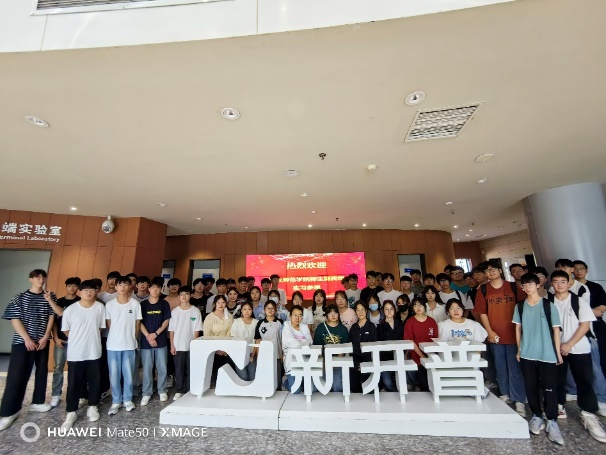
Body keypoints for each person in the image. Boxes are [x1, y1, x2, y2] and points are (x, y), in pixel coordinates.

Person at [550, 271, 606, 441]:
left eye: (563, 281)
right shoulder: (548, 302)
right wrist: (558, 346)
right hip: (556, 349)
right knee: (557, 380)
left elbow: (584, 326)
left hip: (579, 348)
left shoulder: (578, 301)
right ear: (551, 284)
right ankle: (559, 406)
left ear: (569, 283)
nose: (559, 285)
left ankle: (588, 414)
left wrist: (569, 344)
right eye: (556, 282)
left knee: (584, 381)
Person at [0, 269, 56, 432]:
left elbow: (52, 317)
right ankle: (9, 411)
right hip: (22, 342)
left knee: (42, 371)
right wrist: (27, 338)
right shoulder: (19, 297)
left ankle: (38, 402)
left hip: (42, 341)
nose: (41, 280)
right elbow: (15, 318)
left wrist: (46, 337)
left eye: (43, 277)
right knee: (17, 375)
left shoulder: (50, 296)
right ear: (30, 279)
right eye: (37, 277)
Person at [513, 273, 564, 445]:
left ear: (537, 285)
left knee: (550, 388)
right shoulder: (520, 306)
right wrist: (519, 349)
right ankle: (536, 415)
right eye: (524, 285)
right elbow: (518, 329)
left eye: (530, 284)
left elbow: (556, 330)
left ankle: (552, 420)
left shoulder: (548, 305)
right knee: (530, 386)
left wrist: (557, 352)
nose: (527, 287)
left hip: (547, 354)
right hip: (527, 353)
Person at [474, 259, 527, 416]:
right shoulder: (483, 289)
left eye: (493, 269)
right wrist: (489, 332)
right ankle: (505, 394)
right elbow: (482, 313)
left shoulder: (513, 287)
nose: (490, 272)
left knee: (515, 368)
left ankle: (519, 398)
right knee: (500, 366)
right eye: (487, 270)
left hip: (514, 334)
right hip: (495, 336)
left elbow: (524, 308)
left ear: (500, 271)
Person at [59, 280, 106, 430]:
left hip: (94, 351)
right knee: (73, 383)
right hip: (76, 352)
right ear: (80, 292)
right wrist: (77, 339)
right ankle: (71, 412)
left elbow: (100, 328)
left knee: (94, 380)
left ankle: (93, 406)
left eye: (92, 290)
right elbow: (66, 330)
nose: (89, 293)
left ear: (96, 292)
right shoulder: (70, 310)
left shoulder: (100, 307)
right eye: (85, 290)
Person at [105, 276, 142, 416]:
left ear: (130, 287)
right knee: (114, 374)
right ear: (116, 287)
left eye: (125, 285)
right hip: (113, 345)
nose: (122, 287)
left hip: (129, 344)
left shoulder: (135, 304)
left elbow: (137, 324)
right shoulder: (109, 305)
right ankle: (116, 401)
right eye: (119, 285)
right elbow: (109, 324)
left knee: (128, 374)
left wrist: (133, 339)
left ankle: (127, 399)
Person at [50, 277, 82, 408]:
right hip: (61, 341)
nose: (72, 288)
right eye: (69, 286)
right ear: (66, 287)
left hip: (76, 341)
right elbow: (54, 322)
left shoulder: (80, 302)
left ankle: (75, 394)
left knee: (76, 369)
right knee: (58, 367)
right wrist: (56, 338)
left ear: (78, 288)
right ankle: (55, 394)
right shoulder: (59, 301)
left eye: (75, 286)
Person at [139, 280, 171, 405]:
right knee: (147, 368)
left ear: (161, 289)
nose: (155, 290)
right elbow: (139, 322)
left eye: (157, 288)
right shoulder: (143, 305)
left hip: (161, 340)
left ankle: (162, 390)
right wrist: (148, 336)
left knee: (162, 367)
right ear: (149, 289)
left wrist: (156, 334)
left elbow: (166, 321)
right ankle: (146, 393)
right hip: (146, 341)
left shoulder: (164, 304)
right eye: (152, 288)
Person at [573, 260, 606, 380]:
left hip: (596, 325)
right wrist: (591, 311)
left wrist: (581, 312)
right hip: (577, 326)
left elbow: (603, 308)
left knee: (602, 355)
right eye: (576, 269)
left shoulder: (595, 287)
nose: (579, 271)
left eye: (581, 268)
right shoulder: (570, 288)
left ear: (586, 270)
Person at [169, 286, 202, 401]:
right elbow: (171, 330)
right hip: (178, 345)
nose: (184, 296)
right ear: (178, 297)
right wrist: (172, 345)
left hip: (191, 345)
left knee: (190, 369)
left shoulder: (195, 311)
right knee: (179, 369)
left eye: (186, 294)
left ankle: (190, 390)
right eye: (182, 294)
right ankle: (179, 390)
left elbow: (197, 329)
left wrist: (194, 345)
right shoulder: (174, 312)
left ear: (190, 295)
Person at [404, 297, 438, 391]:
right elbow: (410, 341)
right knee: (424, 384)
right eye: (415, 305)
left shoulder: (432, 321)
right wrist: (422, 356)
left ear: (425, 306)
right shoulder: (410, 322)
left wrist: (430, 356)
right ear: (412, 308)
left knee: (432, 384)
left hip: (431, 357)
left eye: (420, 305)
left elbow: (435, 340)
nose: (418, 307)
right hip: (416, 357)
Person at [313, 304, 350, 392]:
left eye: (335, 313)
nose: (333, 315)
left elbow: (344, 347)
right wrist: (323, 361)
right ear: (326, 315)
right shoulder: (321, 328)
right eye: (330, 313)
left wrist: (336, 362)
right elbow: (317, 346)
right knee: (322, 385)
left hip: (338, 361)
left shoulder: (343, 329)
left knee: (337, 386)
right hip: (324, 361)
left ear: (338, 314)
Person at [203, 295, 234, 387]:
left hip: (227, 349)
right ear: (214, 304)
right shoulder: (209, 317)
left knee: (227, 369)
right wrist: (216, 348)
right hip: (213, 349)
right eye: (218, 302)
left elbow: (230, 333)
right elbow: (207, 335)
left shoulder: (229, 317)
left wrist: (224, 348)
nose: (221, 304)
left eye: (223, 302)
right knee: (214, 368)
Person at [282, 305, 314, 393]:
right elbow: (292, 342)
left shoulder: (304, 327)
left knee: (310, 388)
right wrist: (304, 343)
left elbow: (310, 342)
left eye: (300, 315)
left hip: (304, 359)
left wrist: (302, 344)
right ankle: (285, 381)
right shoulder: (286, 325)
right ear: (290, 316)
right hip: (291, 360)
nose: (298, 318)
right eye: (295, 315)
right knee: (296, 391)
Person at [253, 300, 284, 390]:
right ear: (264, 309)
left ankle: (278, 390)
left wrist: (283, 354)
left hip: (277, 354)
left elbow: (283, 339)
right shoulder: (260, 323)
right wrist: (258, 355)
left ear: (276, 310)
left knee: (277, 376)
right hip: (264, 355)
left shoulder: (280, 323)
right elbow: (258, 340)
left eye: (272, 308)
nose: (270, 310)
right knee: (266, 375)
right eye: (268, 308)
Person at [350, 300, 377, 393]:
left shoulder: (372, 327)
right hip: (355, 360)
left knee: (368, 388)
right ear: (355, 312)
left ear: (366, 311)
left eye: (362, 309)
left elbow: (374, 347)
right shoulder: (353, 327)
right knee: (353, 386)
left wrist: (365, 363)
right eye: (358, 310)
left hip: (368, 359)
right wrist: (357, 364)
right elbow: (351, 346)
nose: (360, 312)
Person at [377, 300, 404, 391]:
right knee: (388, 383)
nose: (389, 311)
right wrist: (387, 325)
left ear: (394, 310)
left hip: (399, 357)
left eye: (391, 309)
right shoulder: (380, 327)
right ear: (383, 311)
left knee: (402, 382)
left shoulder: (400, 324)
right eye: (386, 309)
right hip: (385, 358)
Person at [230, 302, 259, 381]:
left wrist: (253, 354)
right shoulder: (236, 321)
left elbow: (257, 340)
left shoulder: (256, 322)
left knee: (252, 377)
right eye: (244, 309)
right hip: (239, 353)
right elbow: (233, 337)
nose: (247, 311)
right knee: (243, 377)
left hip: (251, 353)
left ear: (252, 310)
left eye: (249, 309)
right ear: (241, 311)